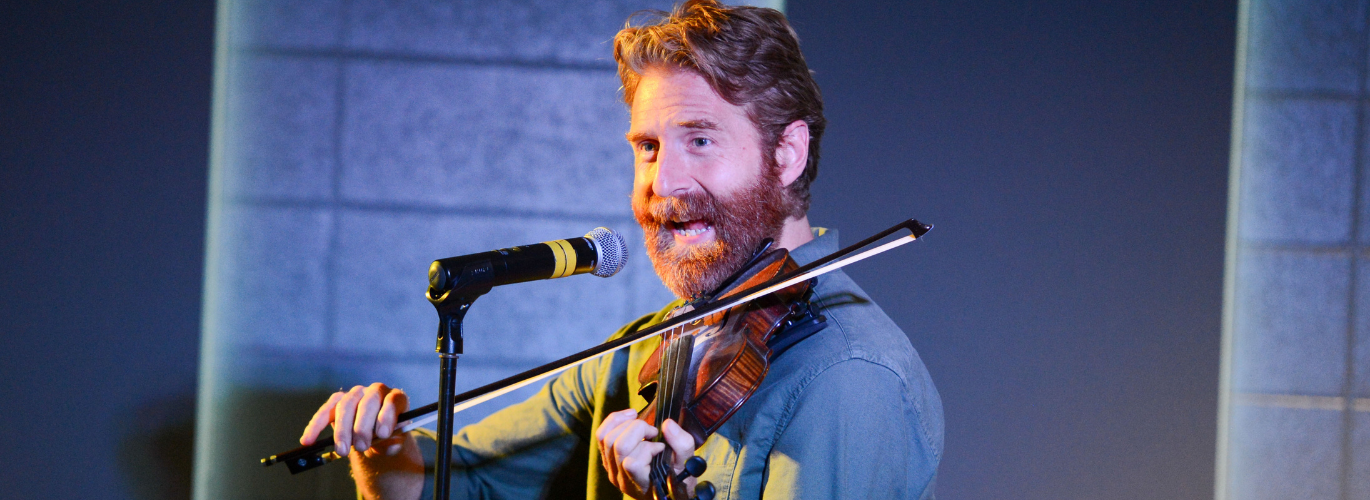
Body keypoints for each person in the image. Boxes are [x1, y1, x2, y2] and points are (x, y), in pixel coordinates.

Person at [298, 1, 943, 498]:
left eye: (700, 140)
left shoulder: (849, 378)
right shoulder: (653, 349)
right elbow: (466, 484)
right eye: (648, 147)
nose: (663, 185)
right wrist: (388, 463)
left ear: (787, 154)